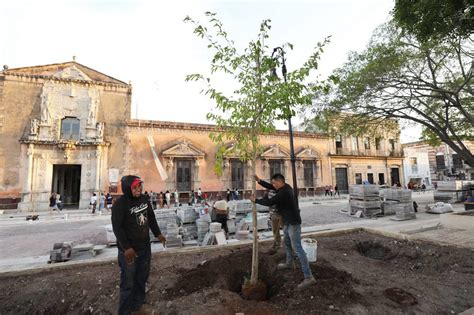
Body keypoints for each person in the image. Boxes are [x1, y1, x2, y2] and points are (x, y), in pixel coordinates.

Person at [251, 173, 316, 291]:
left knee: (298, 248)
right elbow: (270, 187)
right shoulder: (283, 187)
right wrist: (259, 180)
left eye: (275, 183)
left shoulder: (284, 192)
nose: (273, 185)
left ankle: (308, 276)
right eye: (273, 183)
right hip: (287, 222)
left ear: (280, 182)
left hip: (293, 223)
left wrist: (256, 200)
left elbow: (270, 202)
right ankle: (289, 263)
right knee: (286, 242)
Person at [112, 175, 166, 315]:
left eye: (139, 186)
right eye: (134, 187)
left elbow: (151, 218)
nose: (138, 189)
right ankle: (124, 311)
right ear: (127, 189)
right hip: (129, 252)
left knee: (142, 278)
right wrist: (126, 248)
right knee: (128, 282)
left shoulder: (144, 199)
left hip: (144, 248)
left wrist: (157, 233)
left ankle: (138, 305)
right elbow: (117, 228)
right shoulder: (120, 204)